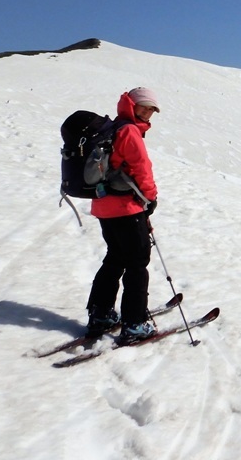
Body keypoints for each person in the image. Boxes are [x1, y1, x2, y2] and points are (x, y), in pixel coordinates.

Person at [85, 87, 161, 342]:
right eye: (143, 106)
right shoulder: (128, 131)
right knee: (137, 263)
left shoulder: (113, 128)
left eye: (151, 108)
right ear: (130, 105)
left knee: (115, 258)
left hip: (104, 206)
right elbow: (142, 169)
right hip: (127, 207)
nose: (148, 112)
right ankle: (134, 324)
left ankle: (101, 314)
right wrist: (150, 198)